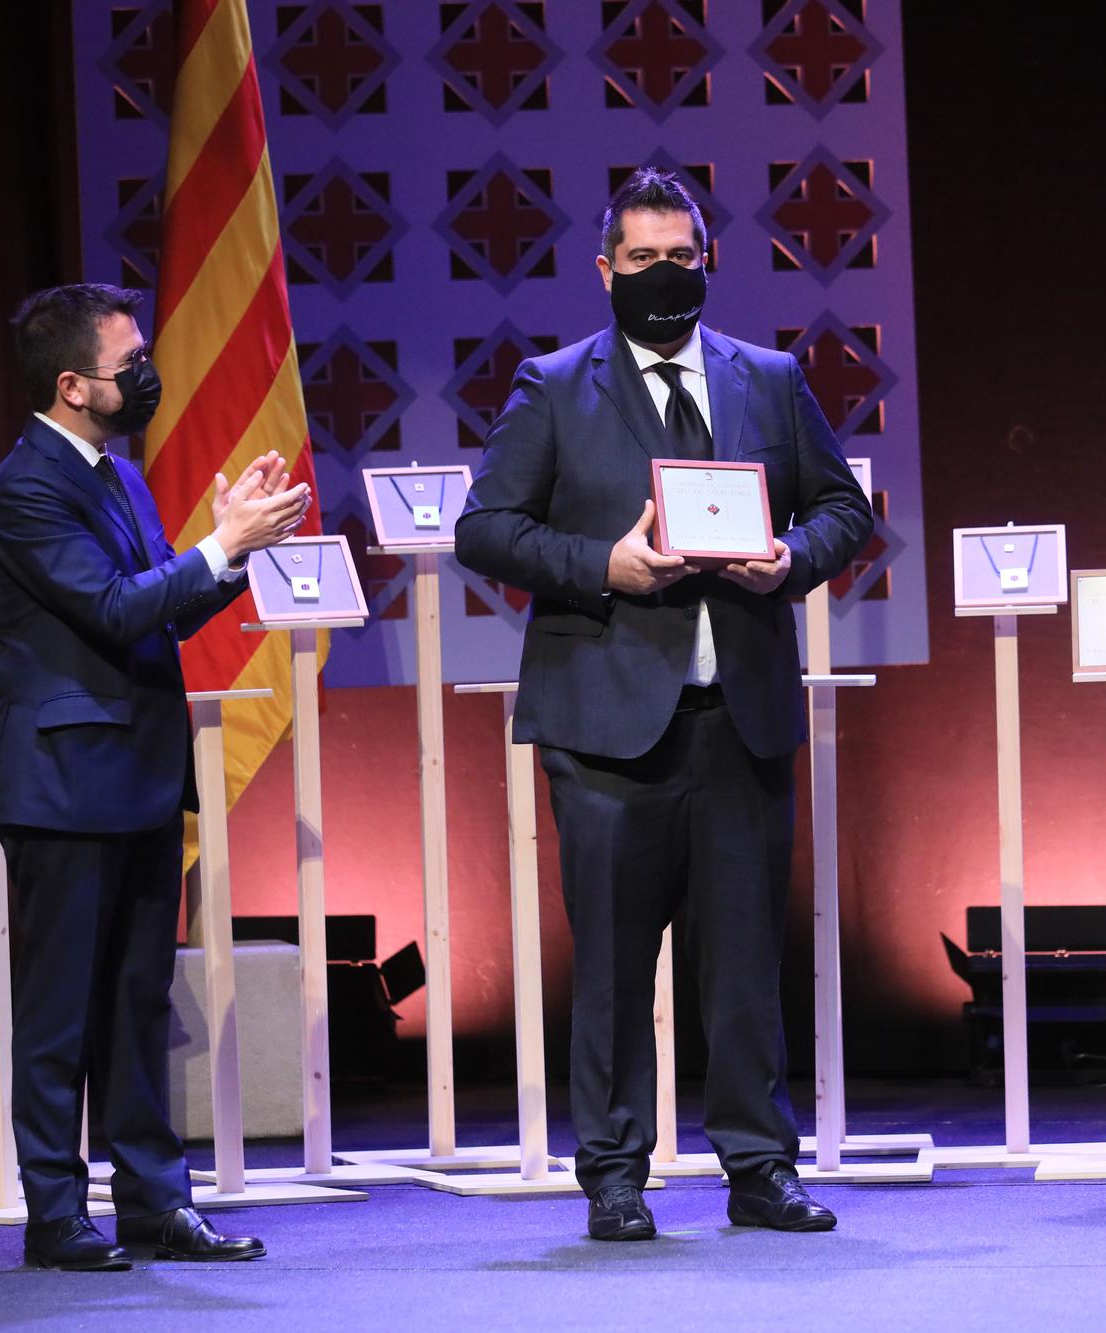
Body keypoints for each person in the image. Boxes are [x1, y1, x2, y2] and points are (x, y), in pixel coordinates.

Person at [455, 169, 873, 1240]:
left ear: (708, 261)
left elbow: (841, 506)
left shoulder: (769, 378)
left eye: (679, 255)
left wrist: (787, 561)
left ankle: (758, 1167)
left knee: (742, 958)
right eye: (639, 259)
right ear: (603, 270)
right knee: (608, 964)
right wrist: (604, 562)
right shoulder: (551, 385)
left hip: (738, 715)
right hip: (604, 723)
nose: (661, 273)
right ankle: (612, 1171)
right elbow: (487, 529)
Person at [0, 283, 310, 1269]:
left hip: (139, 772)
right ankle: (55, 1212)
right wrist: (217, 546)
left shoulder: (115, 474)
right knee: (58, 1011)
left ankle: (155, 1202)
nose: (147, 377)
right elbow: (114, 609)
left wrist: (231, 550)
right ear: (73, 385)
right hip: (64, 780)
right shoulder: (23, 486)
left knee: (135, 1000)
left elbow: (160, 610)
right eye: (130, 364)